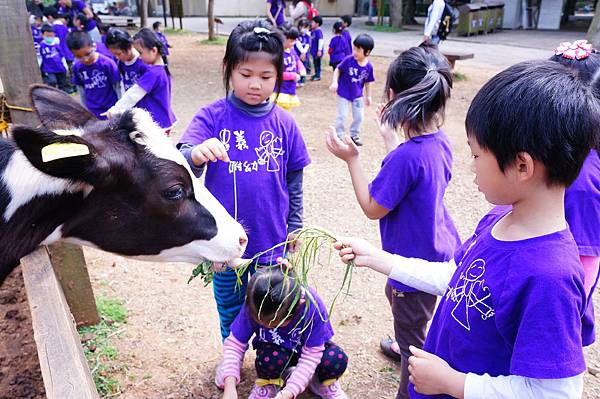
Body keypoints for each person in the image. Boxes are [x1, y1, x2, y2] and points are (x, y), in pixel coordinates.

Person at [334, 59, 600, 398]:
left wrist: (454, 383)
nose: (470, 166)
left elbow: (555, 393)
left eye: (476, 155)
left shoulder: (550, 276)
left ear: (521, 165)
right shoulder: (499, 219)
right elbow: (458, 280)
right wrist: (379, 259)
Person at [327, 44, 460, 399]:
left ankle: (411, 380)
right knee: (404, 305)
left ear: (391, 96)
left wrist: (352, 160)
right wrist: (391, 140)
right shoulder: (439, 143)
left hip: (413, 264)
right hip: (438, 251)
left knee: (412, 334)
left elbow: (373, 207)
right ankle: (409, 342)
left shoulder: (405, 157)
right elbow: (408, 181)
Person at [177, 20, 311, 341]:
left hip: (273, 243)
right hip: (224, 246)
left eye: (266, 77)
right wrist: (197, 154)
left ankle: (271, 363)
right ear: (228, 69)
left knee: (273, 308)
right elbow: (181, 158)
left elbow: (294, 181)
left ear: (278, 75)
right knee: (230, 308)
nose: (255, 85)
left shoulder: (285, 123)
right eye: (245, 75)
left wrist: (295, 225)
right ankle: (232, 359)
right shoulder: (212, 116)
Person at [216, 267, 348, 399]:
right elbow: (235, 345)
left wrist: (289, 392)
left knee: (335, 359)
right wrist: (230, 386)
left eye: (274, 324)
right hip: (277, 353)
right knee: (268, 359)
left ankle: (319, 383)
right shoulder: (255, 303)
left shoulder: (311, 306)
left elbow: (312, 355)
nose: (266, 326)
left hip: (308, 353)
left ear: (298, 306)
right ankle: (270, 383)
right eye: (261, 323)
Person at [550, 40, 600, 347]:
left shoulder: (581, 182)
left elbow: (584, 264)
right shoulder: (556, 151)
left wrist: (564, 314)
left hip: (555, 303)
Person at [104, 28, 177, 135]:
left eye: (140, 52)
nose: (139, 56)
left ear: (153, 50)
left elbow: (135, 93)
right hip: (157, 119)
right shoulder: (160, 69)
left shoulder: (153, 73)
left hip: (155, 121)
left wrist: (116, 110)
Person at [329, 33, 375, 146]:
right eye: (354, 49)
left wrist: (368, 96)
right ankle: (339, 135)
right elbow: (338, 70)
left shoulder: (369, 67)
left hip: (357, 95)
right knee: (342, 115)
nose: (354, 52)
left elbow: (368, 82)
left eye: (358, 50)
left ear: (367, 52)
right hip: (343, 93)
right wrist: (335, 82)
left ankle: (354, 134)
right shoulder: (348, 60)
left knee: (359, 116)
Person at [67, 30, 120, 119]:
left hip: (111, 110)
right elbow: (81, 90)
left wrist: (118, 109)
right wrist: (84, 110)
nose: (85, 59)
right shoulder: (77, 67)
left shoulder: (107, 64)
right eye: (79, 56)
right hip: (92, 111)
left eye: (88, 54)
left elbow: (117, 87)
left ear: (93, 46)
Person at [273, 23, 305, 110]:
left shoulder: (291, 50)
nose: (293, 43)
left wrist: (302, 69)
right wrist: (292, 76)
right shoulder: (277, 54)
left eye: (295, 41)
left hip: (290, 89)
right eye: (291, 41)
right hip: (279, 91)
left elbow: (297, 61)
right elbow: (276, 74)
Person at [40, 24, 70, 92]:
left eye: (52, 36)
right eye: (47, 36)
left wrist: (66, 67)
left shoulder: (56, 45)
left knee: (62, 83)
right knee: (52, 82)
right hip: (49, 69)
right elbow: (40, 58)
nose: (50, 37)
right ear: (43, 35)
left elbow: (62, 57)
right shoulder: (41, 46)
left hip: (60, 67)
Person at [294, 18, 311, 86]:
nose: (306, 29)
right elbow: (298, 44)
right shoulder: (297, 35)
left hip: (304, 55)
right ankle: (297, 80)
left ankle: (302, 80)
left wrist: (304, 53)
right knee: (297, 67)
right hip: (298, 54)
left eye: (307, 28)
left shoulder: (307, 36)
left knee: (304, 66)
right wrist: (302, 52)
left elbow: (307, 44)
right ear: (300, 27)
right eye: (304, 27)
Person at [309, 15, 323, 81]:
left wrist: (319, 50)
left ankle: (318, 75)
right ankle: (316, 73)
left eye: (313, 22)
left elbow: (320, 40)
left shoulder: (318, 32)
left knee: (317, 63)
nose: (311, 24)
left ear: (317, 24)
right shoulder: (313, 31)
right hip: (314, 52)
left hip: (317, 52)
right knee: (315, 63)